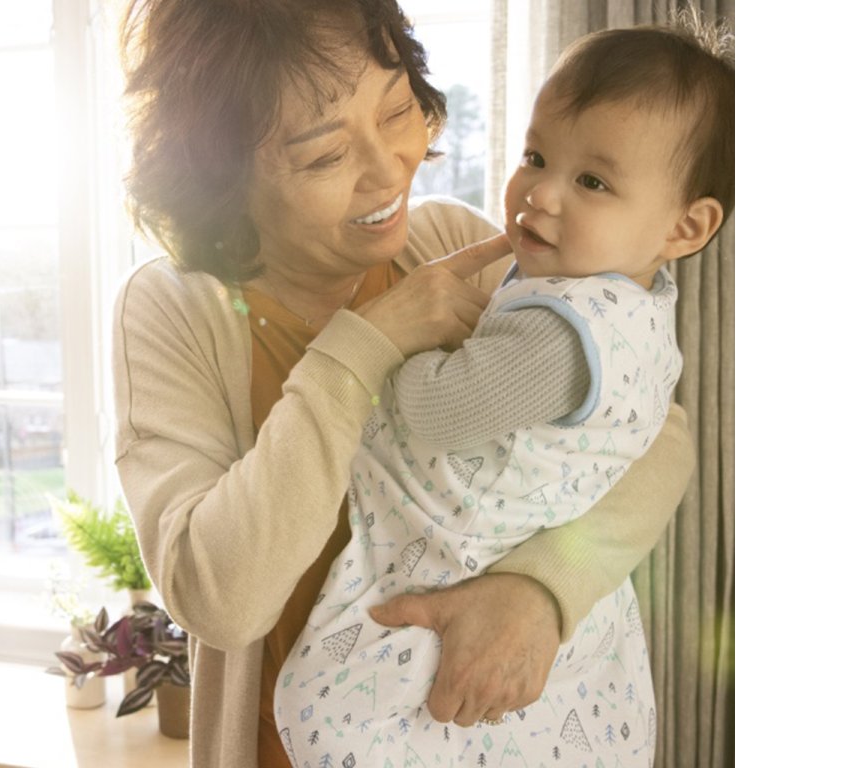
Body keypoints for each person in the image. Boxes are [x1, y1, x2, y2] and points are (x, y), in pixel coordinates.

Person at [111, 2, 696, 766]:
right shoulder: (175, 313)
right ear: (224, 179)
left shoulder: (451, 242)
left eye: (396, 111)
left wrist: (545, 590)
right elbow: (222, 598)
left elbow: (656, 434)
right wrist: (363, 349)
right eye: (324, 156)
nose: (389, 170)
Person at [274, 15, 734, 767]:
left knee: (324, 702)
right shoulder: (629, 304)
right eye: (535, 156)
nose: (540, 194)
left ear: (685, 228)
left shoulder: (564, 329)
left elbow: (436, 411)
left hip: (468, 547)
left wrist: (391, 339)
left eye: (592, 181)